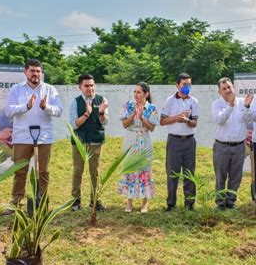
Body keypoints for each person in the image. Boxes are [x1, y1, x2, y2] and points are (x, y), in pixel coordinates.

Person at [2, 59, 63, 215]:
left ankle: (42, 203)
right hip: (22, 137)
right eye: (32, 71)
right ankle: (16, 203)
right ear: (25, 72)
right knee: (20, 171)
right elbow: (9, 110)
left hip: (43, 137)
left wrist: (46, 107)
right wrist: (26, 106)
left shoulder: (50, 90)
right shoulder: (16, 90)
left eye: (38, 71)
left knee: (43, 172)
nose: (35, 74)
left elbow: (59, 110)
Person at [211, 77, 253, 209]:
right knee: (220, 176)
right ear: (219, 92)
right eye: (224, 89)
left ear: (233, 87)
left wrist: (246, 107)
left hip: (239, 146)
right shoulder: (216, 104)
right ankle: (221, 202)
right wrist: (230, 106)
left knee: (236, 176)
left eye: (229, 87)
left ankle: (231, 201)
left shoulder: (242, 102)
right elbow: (220, 120)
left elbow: (249, 120)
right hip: (222, 146)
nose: (227, 90)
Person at [160, 73, 199, 211]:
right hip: (174, 140)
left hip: (189, 140)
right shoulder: (170, 101)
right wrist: (176, 118)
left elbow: (194, 123)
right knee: (172, 172)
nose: (187, 87)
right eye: (184, 84)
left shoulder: (194, 101)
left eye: (189, 84)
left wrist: (187, 120)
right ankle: (171, 203)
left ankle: (189, 203)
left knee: (189, 172)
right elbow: (162, 121)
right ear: (177, 85)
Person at [70, 74, 109, 211]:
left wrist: (101, 112)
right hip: (79, 141)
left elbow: (105, 122)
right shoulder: (75, 102)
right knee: (77, 171)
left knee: (95, 172)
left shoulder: (102, 100)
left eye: (92, 85)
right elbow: (74, 125)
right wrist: (86, 114)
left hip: (96, 141)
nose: (90, 88)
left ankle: (95, 200)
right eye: (86, 85)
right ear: (80, 87)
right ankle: (75, 201)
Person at [118, 82, 159, 213]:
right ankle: (129, 201)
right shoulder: (128, 105)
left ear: (146, 94)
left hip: (144, 139)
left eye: (139, 92)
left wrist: (142, 117)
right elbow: (125, 124)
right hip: (130, 139)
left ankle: (144, 202)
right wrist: (133, 114)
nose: (136, 95)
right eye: (135, 92)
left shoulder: (151, 108)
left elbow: (151, 128)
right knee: (129, 168)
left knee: (145, 170)